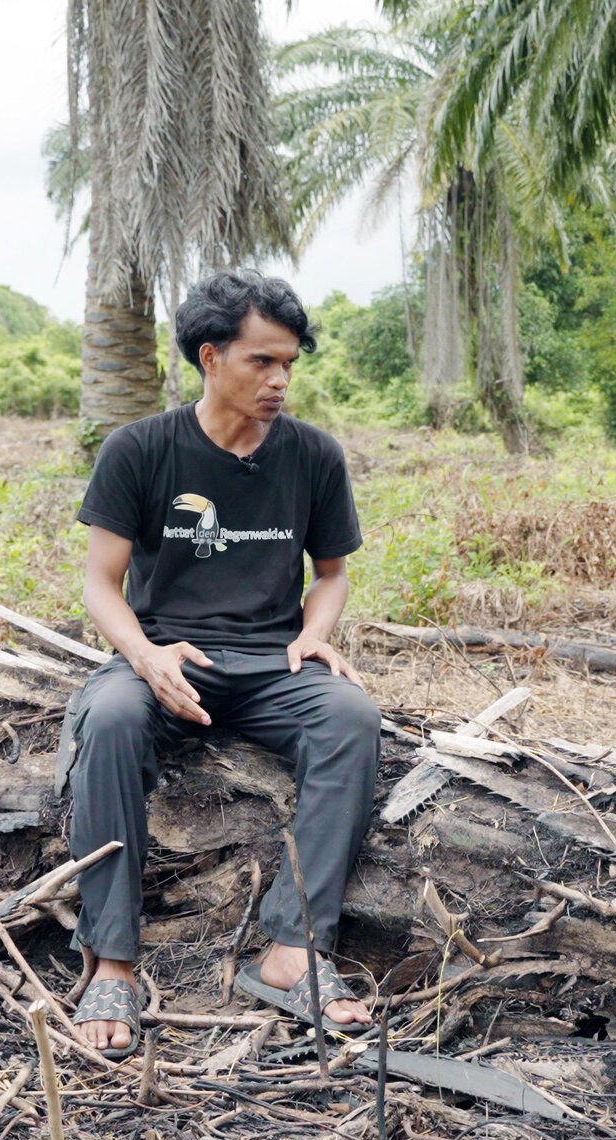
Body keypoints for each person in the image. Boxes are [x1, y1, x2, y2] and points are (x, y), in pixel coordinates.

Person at [56, 269, 382, 1059]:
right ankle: (113, 960)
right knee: (106, 718)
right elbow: (101, 583)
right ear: (210, 357)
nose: (279, 380)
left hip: (273, 664)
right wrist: (143, 654)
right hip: (164, 654)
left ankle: (293, 950)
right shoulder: (140, 450)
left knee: (351, 717)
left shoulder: (312, 457)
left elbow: (331, 572)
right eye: (261, 362)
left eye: (290, 365)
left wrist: (313, 634)